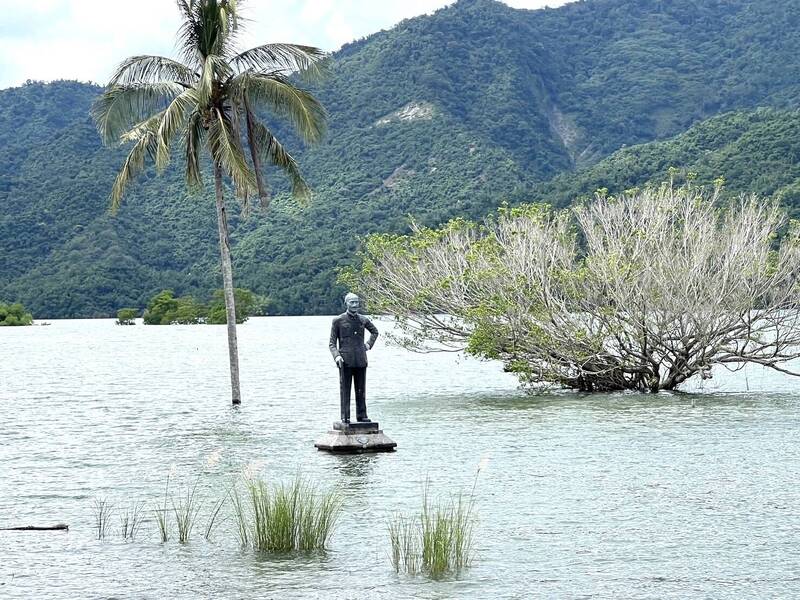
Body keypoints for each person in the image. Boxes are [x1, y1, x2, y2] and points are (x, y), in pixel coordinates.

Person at [329, 292, 379, 424]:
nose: (355, 305)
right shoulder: (338, 320)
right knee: (345, 390)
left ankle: (362, 415)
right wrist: (337, 356)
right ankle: (345, 416)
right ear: (346, 303)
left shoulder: (363, 320)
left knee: (361, 389)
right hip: (345, 361)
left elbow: (375, 331)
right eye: (352, 302)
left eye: (357, 302)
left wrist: (368, 345)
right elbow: (332, 343)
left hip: (361, 360)